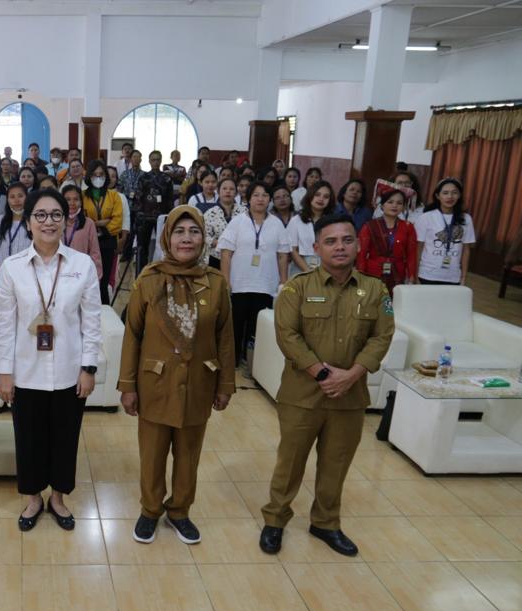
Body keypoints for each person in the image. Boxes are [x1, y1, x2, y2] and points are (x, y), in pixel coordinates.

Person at [259, 213, 394, 557]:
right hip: (302, 396)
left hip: (349, 396)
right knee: (290, 463)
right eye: (331, 241)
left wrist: (351, 375)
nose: (339, 247)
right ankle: (275, 520)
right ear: (316, 247)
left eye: (346, 240)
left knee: (336, 463)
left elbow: (382, 337)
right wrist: (322, 373)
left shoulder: (376, 290)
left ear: (357, 244)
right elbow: (287, 335)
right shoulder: (296, 287)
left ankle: (325, 523)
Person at [119, 205, 235, 544]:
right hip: (154, 383)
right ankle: (150, 510)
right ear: (168, 237)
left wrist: (225, 384)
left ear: (204, 238)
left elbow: (225, 337)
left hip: (199, 383)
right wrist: (127, 385)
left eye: (194, 231)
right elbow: (133, 335)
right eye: (180, 232)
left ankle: (180, 511)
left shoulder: (215, 283)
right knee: (152, 454)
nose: (187, 239)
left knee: (189, 455)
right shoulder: (149, 279)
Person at [0, 188, 101, 532]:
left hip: (70, 372)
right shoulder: (11, 269)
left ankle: (58, 497)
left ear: (66, 219)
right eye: (40, 215)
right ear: (27, 222)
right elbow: (4, 325)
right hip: (25, 372)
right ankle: (33, 497)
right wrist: (5, 374)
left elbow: (92, 321)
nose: (48, 221)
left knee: (65, 437)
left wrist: (89, 368)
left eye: (56, 214)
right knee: (28, 438)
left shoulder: (81, 265)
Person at [219, 181, 290, 366]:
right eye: (256, 195)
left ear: (270, 200)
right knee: (235, 324)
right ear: (248, 199)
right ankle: (231, 361)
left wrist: (283, 282)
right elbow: (226, 253)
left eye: (265, 195)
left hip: (266, 284)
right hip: (239, 283)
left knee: (257, 327)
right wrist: (226, 281)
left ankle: (253, 363)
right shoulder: (237, 222)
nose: (260, 199)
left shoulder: (277, 224)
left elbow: (283, 256)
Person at [415, 177, 476, 285]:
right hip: (427, 274)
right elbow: (418, 248)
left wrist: (463, 277)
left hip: (452, 277)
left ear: (459, 195)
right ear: (438, 196)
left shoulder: (466, 219)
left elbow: (466, 250)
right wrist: (414, 275)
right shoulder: (426, 217)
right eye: (445, 193)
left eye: (454, 193)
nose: (450, 197)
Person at [357, 189, 418, 292]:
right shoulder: (370, 226)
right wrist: (360, 274)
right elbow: (362, 253)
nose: (394, 206)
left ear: (403, 207)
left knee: (393, 305)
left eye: (399, 203)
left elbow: (411, 254)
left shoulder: (408, 227)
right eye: (390, 202)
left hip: (398, 273)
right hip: (373, 272)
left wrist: (411, 276)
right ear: (382, 205)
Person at [82, 160, 124, 303]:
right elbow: (83, 219)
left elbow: (117, 221)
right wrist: (102, 222)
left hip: (107, 242)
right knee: (88, 279)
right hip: (88, 242)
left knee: (103, 280)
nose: (98, 178)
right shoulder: (83, 196)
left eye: (101, 174)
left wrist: (96, 225)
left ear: (106, 176)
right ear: (89, 177)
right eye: (94, 175)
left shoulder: (114, 196)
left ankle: (104, 309)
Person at [288, 181, 335, 278]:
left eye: (326, 197)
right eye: (317, 195)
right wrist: (308, 271)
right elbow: (293, 250)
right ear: (310, 196)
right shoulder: (296, 220)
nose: (321, 199)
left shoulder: (333, 221)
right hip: (300, 267)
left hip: (326, 268)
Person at [0, 182, 30, 282]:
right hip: (4, 275)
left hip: (27, 276)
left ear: (27, 197)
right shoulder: (0, 220)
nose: (16, 200)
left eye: (20, 196)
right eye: (12, 197)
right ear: (7, 200)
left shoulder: (33, 220)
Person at [203, 178, 248, 269]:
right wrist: (216, 242)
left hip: (240, 257)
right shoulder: (210, 212)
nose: (228, 191)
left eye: (231, 189)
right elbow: (203, 236)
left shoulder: (245, 212)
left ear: (236, 193)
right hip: (216, 258)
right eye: (224, 188)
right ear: (218, 191)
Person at [61, 184, 103, 280]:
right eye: (67, 199)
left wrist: (95, 278)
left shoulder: (89, 223)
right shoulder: (56, 222)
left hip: (81, 274)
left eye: (76, 199)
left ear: (81, 202)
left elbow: (95, 253)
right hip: (59, 274)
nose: (72, 203)